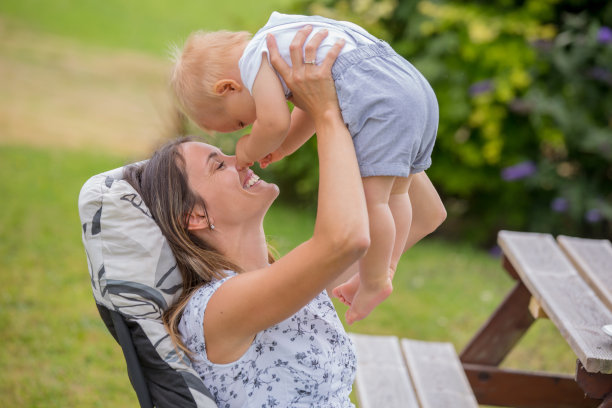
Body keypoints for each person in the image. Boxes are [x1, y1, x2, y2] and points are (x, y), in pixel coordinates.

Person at [126, 28, 369, 407]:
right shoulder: (213, 310)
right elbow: (345, 240)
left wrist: (365, 93)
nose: (237, 158)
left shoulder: (278, 279)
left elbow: (422, 214)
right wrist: (325, 112)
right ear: (195, 215)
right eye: (217, 164)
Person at [170, 12, 442, 324]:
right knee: (395, 196)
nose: (250, 126)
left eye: (241, 123)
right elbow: (312, 109)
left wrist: (251, 146)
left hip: (383, 100)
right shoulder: (279, 39)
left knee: (376, 201)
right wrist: (289, 141)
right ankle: (384, 269)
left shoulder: (256, 61)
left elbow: (275, 122)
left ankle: (377, 278)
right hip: (412, 88)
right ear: (196, 216)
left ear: (227, 88)